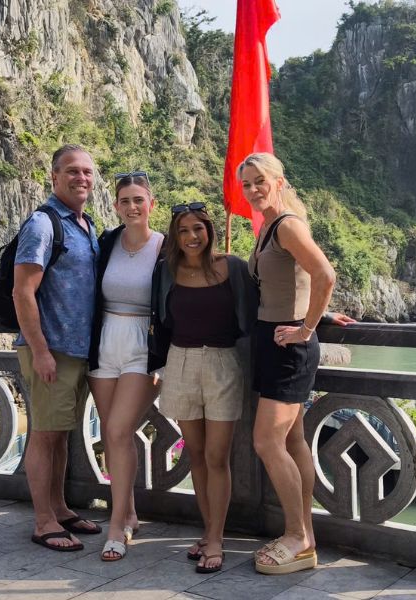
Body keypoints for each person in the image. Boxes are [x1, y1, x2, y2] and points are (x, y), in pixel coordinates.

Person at [240, 152, 356, 575]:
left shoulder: (287, 224)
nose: (253, 190)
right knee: (291, 443)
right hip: (274, 343)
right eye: (246, 184)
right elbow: (293, 284)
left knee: (266, 442)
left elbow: (324, 274)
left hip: (289, 348)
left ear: (278, 180)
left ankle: (298, 538)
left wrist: (306, 329)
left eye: (259, 181)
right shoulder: (270, 226)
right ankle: (303, 531)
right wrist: (318, 316)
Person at [148, 203, 258, 574]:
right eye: (183, 230)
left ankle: (215, 538)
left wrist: (317, 318)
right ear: (175, 237)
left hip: (222, 364)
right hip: (179, 362)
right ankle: (209, 532)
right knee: (194, 454)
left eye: (198, 228)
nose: (192, 236)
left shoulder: (234, 268)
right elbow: (158, 321)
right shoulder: (166, 271)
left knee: (216, 456)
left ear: (209, 231)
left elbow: (266, 305)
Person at [13, 144, 103, 552]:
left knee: (61, 435)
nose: (81, 178)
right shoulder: (43, 224)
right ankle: (43, 521)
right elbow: (23, 292)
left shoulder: (85, 226)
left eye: (86, 171)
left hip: (78, 349)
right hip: (51, 349)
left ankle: (61, 508)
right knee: (46, 435)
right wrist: (42, 351)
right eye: (72, 171)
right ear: (54, 176)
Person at [86, 171, 164, 561]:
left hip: (142, 345)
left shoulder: (166, 248)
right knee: (114, 436)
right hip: (104, 342)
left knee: (118, 429)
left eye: (139, 199)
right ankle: (130, 513)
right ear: (115, 206)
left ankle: (116, 527)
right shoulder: (107, 243)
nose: (132, 207)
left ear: (151, 203)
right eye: (125, 201)